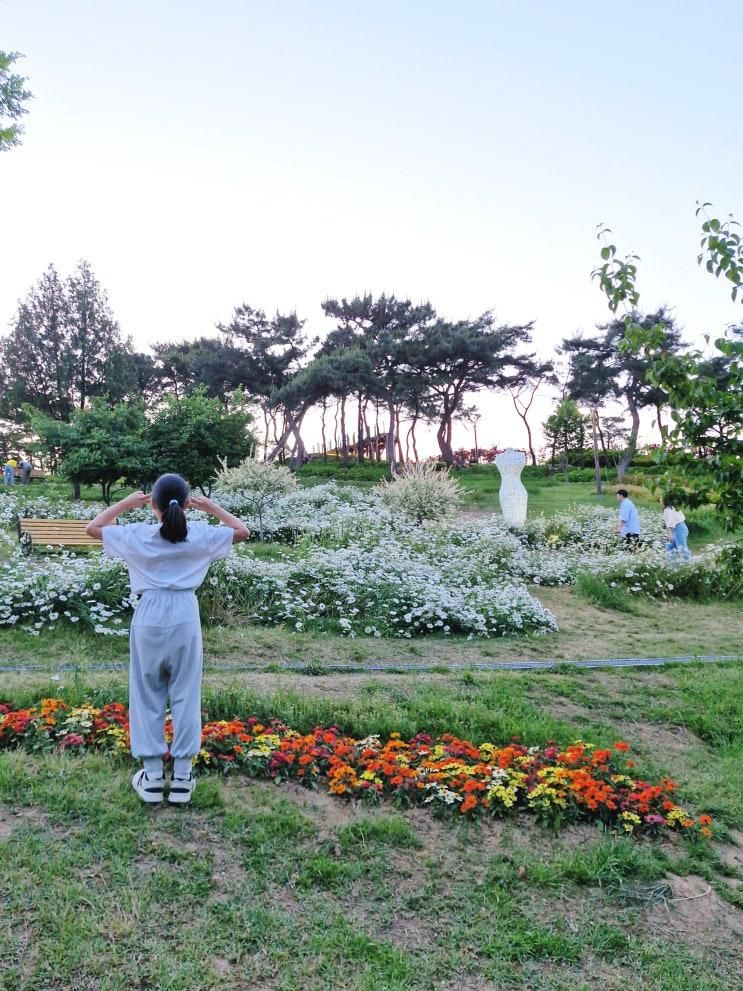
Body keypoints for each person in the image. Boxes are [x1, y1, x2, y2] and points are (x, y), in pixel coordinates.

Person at [85, 474, 250, 805]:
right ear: (187, 505)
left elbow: (93, 528)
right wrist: (212, 507)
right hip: (185, 613)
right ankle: (183, 778)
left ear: (153, 505)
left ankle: (152, 777)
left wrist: (126, 503)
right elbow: (242, 531)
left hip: (149, 613)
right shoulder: (200, 534)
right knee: (186, 692)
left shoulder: (137, 535)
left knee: (147, 691)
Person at [662, 495, 692, 561]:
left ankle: (689, 565)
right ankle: (671, 567)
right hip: (680, 528)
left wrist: (669, 534)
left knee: (682, 549)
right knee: (669, 548)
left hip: (679, 529)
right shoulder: (672, 507)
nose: (660, 500)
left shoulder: (668, 509)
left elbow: (670, 522)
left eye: (661, 498)